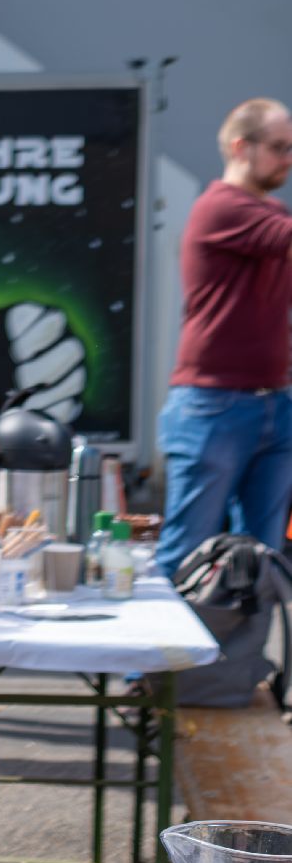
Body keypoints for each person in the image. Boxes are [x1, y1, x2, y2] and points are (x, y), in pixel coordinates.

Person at [155, 97, 292, 577]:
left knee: (262, 558)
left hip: (273, 401)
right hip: (213, 404)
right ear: (241, 147)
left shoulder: (268, 213)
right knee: (187, 555)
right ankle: (171, 653)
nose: (287, 159)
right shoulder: (221, 207)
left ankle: (247, 654)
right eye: (278, 147)